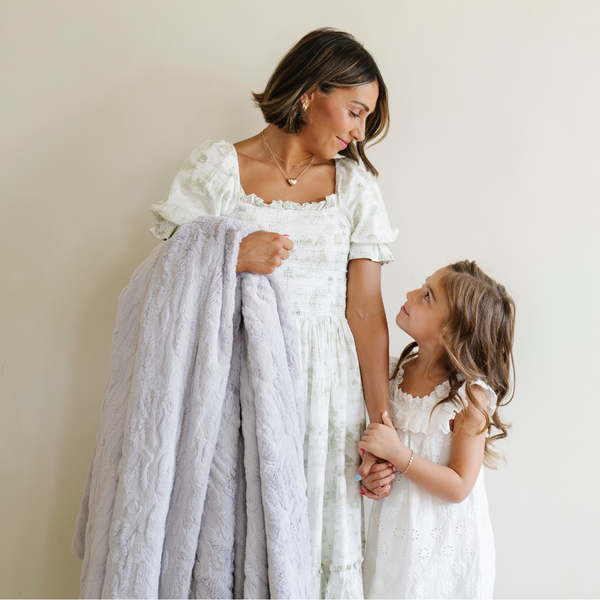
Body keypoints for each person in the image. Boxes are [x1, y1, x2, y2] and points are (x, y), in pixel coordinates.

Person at [149, 28, 397, 599]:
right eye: (355, 111)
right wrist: (231, 255)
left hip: (325, 396)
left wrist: (379, 428)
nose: (359, 132)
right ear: (312, 91)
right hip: (236, 384)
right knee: (230, 540)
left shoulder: (355, 189)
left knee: (310, 545)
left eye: (367, 119)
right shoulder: (218, 171)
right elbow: (159, 287)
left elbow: (365, 312)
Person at [359, 260, 515, 599]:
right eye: (422, 286)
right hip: (395, 543)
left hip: (446, 545)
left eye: (427, 296)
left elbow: (459, 486)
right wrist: (369, 476)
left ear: (450, 331)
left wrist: (399, 454)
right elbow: (375, 454)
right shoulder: (390, 374)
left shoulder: (468, 398)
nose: (410, 294)